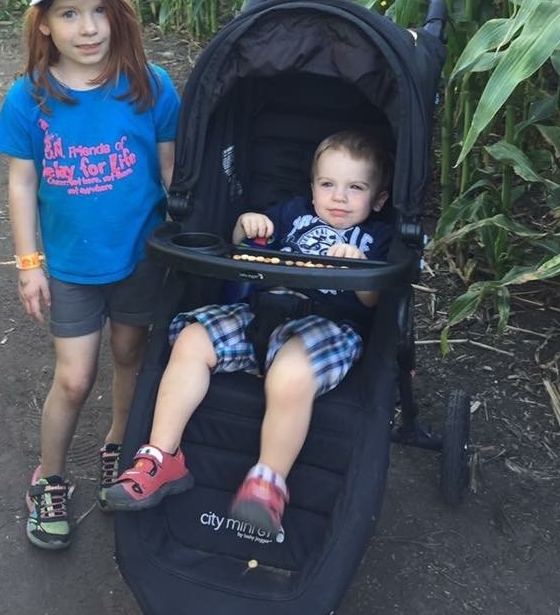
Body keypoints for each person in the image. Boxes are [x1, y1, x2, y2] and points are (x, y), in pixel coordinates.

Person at [0, 0, 180, 550]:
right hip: (71, 265)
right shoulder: (31, 97)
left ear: (117, 13)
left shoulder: (151, 87)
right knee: (74, 378)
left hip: (140, 258)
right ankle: (48, 478)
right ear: (43, 23)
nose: (89, 26)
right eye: (69, 12)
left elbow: (174, 176)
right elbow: (22, 185)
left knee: (130, 354)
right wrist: (29, 263)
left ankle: (118, 446)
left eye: (100, 9)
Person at [107, 129, 392, 535]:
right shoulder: (293, 213)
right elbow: (245, 243)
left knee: (291, 377)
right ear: (312, 188)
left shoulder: (375, 238)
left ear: (379, 199)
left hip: (326, 326)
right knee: (191, 340)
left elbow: (373, 302)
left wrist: (361, 269)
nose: (339, 197)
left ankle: (267, 483)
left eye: (356, 187)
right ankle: (160, 456)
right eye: (327, 184)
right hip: (259, 311)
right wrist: (246, 224)